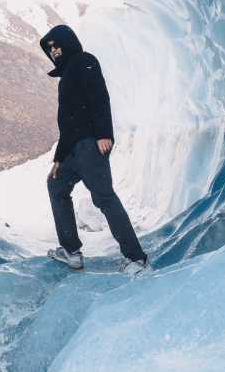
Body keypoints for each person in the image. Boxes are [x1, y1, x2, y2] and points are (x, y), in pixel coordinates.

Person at [39, 24, 149, 274]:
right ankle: (71, 251)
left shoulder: (84, 61)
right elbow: (67, 122)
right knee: (56, 185)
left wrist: (103, 134)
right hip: (73, 150)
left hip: (90, 145)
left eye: (57, 45)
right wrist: (59, 158)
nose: (54, 51)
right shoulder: (67, 75)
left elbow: (99, 97)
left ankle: (136, 258)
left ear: (68, 42)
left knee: (104, 198)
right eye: (50, 49)